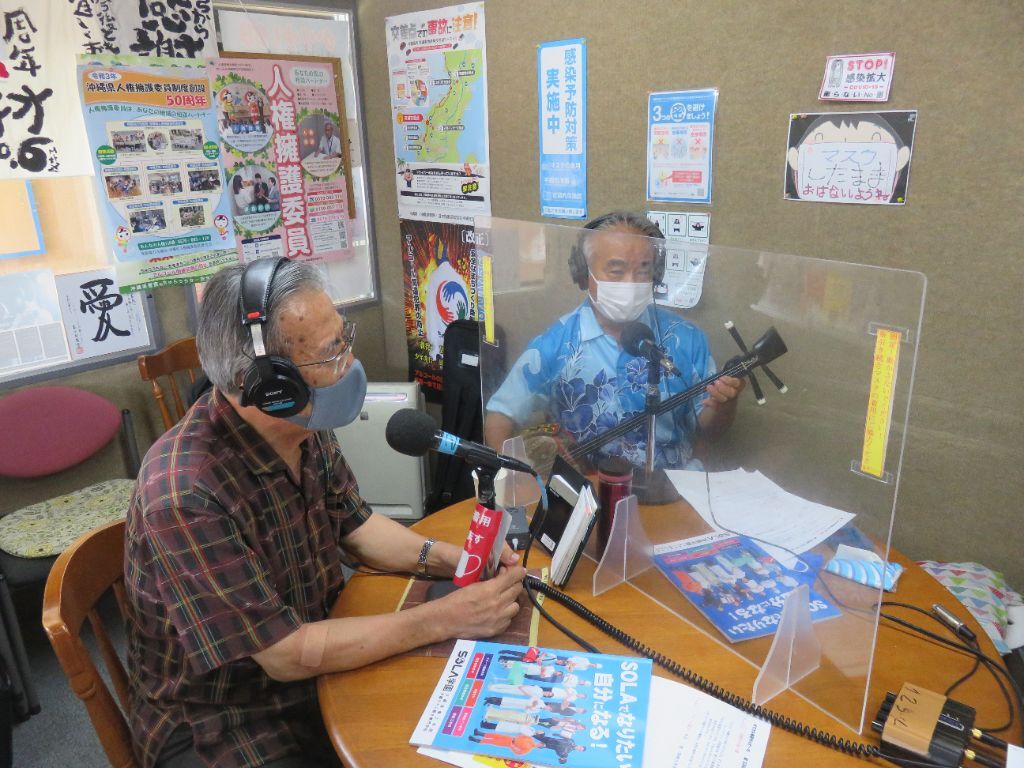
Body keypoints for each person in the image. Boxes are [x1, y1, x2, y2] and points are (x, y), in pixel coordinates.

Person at [124, 257, 525, 768]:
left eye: (344, 338)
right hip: (226, 718)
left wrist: (460, 560)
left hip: (312, 662)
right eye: (332, 352)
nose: (350, 362)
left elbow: (359, 528)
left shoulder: (301, 427)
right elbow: (284, 654)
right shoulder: (184, 495)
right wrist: (446, 618)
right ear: (267, 384)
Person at [484, 211, 745, 471]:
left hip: (670, 486)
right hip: (588, 487)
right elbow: (500, 416)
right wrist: (515, 478)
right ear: (584, 273)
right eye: (616, 271)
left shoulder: (686, 339)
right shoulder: (557, 343)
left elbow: (710, 432)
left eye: (643, 270)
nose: (630, 283)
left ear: (656, 275)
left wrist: (725, 405)